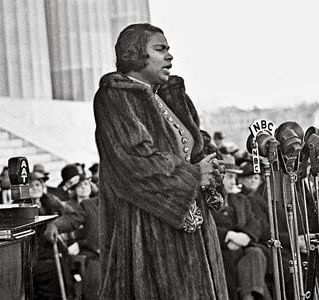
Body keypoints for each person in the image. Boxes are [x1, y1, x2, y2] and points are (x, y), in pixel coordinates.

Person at [93, 23, 227, 299]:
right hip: (150, 237)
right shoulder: (115, 97)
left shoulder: (171, 98)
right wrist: (191, 176)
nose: (169, 56)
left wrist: (211, 169)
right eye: (160, 49)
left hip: (195, 232)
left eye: (168, 49)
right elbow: (134, 163)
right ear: (135, 54)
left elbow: (196, 147)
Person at [214, 155, 269, 300]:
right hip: (222, 250)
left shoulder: (241, 200)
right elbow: (207, 227)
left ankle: (248, 296)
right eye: (229, 177)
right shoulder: (210, 202)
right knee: (253, 257)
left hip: (244, 249)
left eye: (234, 178)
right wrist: (228, 236)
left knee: (256, 253)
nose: (234, 182)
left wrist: (244, 237)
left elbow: (255, 224)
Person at [45, 165, 101, 299]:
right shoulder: (88, 205)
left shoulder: (123, 205)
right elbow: (72, 219)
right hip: (96, 257)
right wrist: (55, 225)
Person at [27, 170, 71, 300]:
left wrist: (56, 225)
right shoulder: (20, 208)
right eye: (30, 186)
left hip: (55, 253)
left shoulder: (51, 202)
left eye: (37, 185)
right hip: (35, 256)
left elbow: (70, 215)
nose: (34, 188)